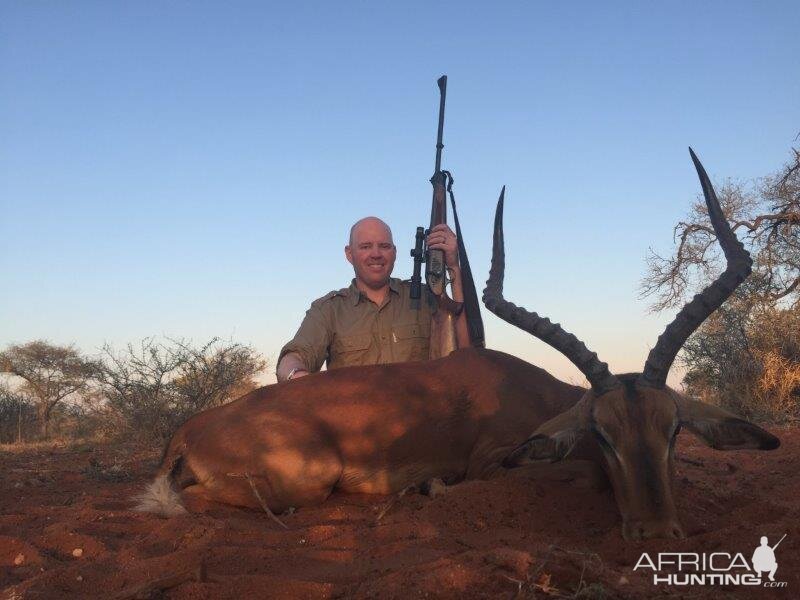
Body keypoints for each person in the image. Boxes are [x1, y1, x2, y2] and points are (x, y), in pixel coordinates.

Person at [276, 216, 470, 381]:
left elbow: (467, 348)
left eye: (384, 246)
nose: (376, 254)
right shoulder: (328, 309)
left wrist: (453, 264)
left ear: (394, 253)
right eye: (366, 246)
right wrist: (297, 375)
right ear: (349, 254)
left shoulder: (428, 298)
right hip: (355, 422)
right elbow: (293, 357)